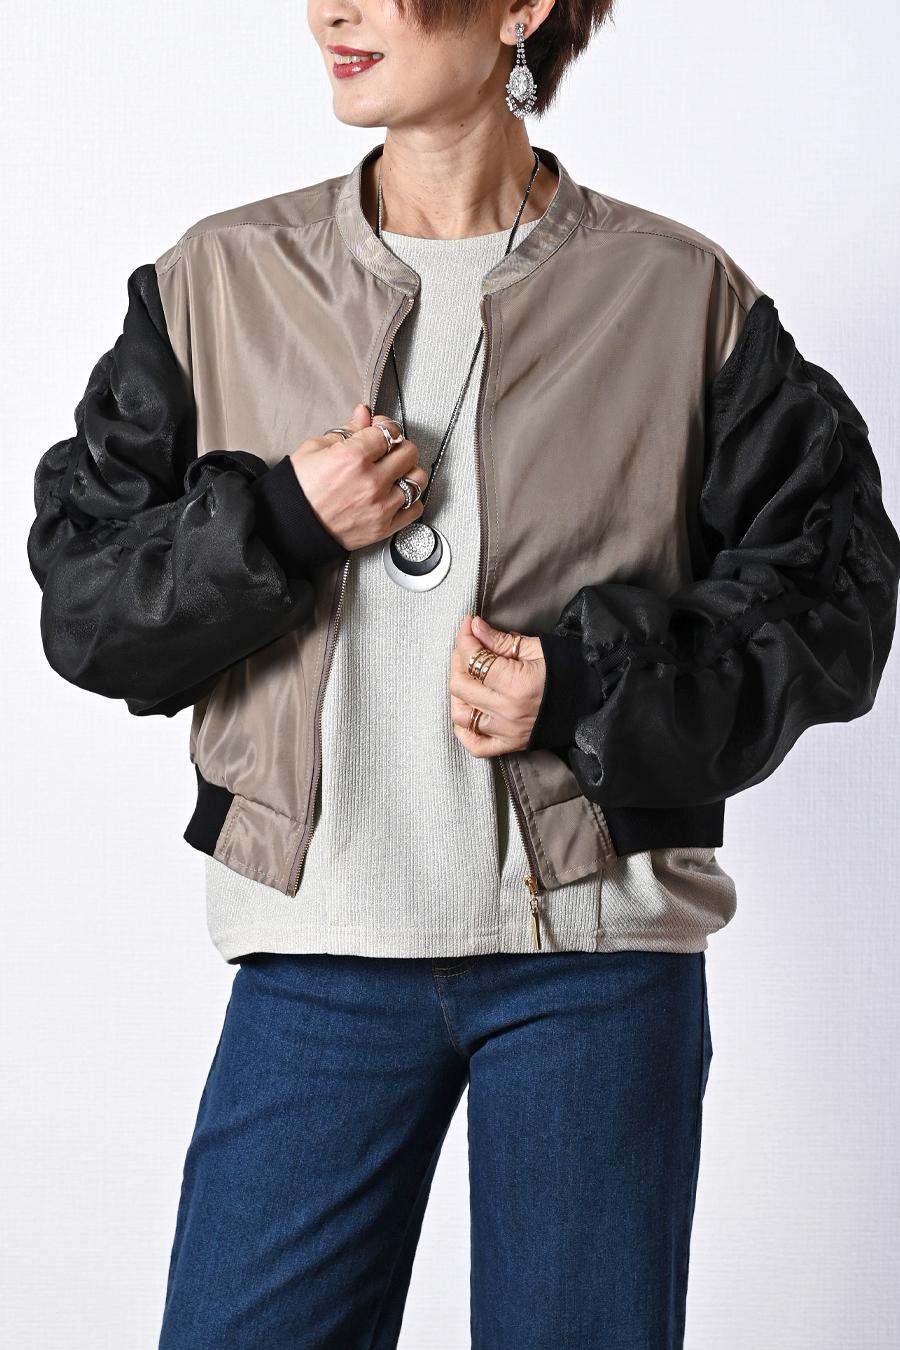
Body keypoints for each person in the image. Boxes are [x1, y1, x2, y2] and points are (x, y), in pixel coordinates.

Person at [26, 0, 900, 1343]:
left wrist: (586, 684)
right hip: (319, 955)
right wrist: (280, 522)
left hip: (593, 961)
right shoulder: (219, 279)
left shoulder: (680, 297)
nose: (333, 9)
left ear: (522, 8)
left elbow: (834, 596)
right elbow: (85, 598)